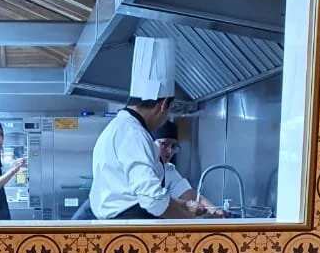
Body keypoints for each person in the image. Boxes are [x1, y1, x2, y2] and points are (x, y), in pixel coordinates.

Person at [89, 38, 224, 220]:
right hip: (132, 227)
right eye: (169, 111)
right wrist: (190, 222)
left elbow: (144, 195)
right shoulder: (133, 133)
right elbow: (152, 199)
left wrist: (184, 206)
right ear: (163, 105)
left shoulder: (121, 127)